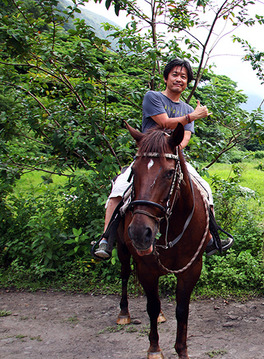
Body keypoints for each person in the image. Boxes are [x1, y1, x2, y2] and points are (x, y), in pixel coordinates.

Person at [94, 58, 233, 259]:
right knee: (119, 188)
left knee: (204, 189)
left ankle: (211, 238)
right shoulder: (153, 97)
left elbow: (185, 137)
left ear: (187, 82)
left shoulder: (186, 108)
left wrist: (174, 146)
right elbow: (165, 122)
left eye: (184, 77)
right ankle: (106, 239)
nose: (179, 79)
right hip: (148, 157)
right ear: (166, 77)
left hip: (173, 157)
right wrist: (193, 116)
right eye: (175, 75)